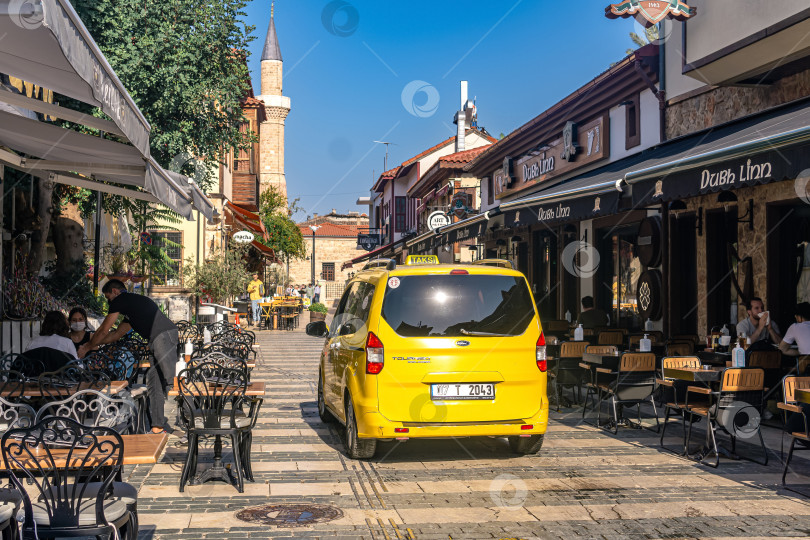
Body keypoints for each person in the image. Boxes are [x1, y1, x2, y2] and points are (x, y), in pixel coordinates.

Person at [78, 279, 178, 434]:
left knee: (170, 381)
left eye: (107, 297)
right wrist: (93, 344)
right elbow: (115, 335)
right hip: (158, 338)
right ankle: (158, 427)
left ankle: (188, 419)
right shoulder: (132, 309)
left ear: (115, 291)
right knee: (154, 381)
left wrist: (87, 347)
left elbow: (104, 329)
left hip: (163, 336)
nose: (108, 301)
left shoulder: (121, 300)